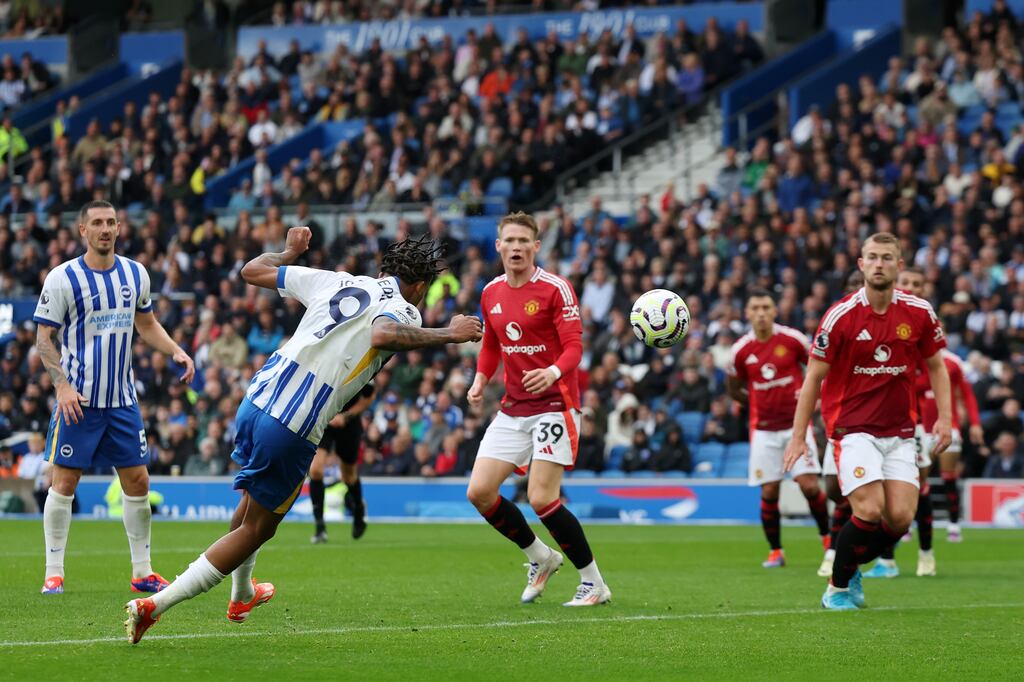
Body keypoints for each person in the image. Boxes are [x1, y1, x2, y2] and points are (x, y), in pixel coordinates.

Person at [124, 228, 482, 643]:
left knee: (253, 501)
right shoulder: (406, 309)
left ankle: (243, 594)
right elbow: (383, 335)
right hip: (294, 422)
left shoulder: (339, 280)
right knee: (258, 529)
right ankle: (156, 605)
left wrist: (288, 252)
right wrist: (449, 334)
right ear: (419, 285)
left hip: (256, 399)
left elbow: (252, 270)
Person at [33, 200, 196, 596]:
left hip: (122, 400)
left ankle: (142, 571)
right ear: (82, 231)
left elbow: (146, 324)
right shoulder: (62, 278)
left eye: (111, 222)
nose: (105, 229)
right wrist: (62, 385)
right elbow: (43, 339)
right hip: (80, 400)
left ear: (119, 228)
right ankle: (54, 571)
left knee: (138, 481)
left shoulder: (135, 274)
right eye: (97, 223)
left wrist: (175, 349)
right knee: (64, 481)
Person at [784, 233, 952, 611]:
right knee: (870, 510)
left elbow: (937, 367)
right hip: (852, 429)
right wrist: (799, 437)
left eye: (887, 258)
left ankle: (848, 564)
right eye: (872, 257)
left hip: (901, 432)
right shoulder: (840, 316)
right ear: (861, 265)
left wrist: (945, 418)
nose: (879, 264)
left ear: (899, 265)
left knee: (900, 518)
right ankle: (838, 587)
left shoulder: (919, 312)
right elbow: (812, 378)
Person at [465, 211, 611, 607]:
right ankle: (540, 557)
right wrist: (481, 378)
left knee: (542, 497)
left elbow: (575, 348)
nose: (515, 247)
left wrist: (552, 371)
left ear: (536, 247)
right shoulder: (491, 292)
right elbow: (493, 344)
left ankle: (593, 582)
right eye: (508, 241)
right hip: (514, 408)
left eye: (523, 241)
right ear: (498, 246)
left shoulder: (555, 289)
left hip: (555, 405)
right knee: (479, 492)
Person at [727, 289, 830, 569]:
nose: (761, 313)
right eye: (755, 308)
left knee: (809, 485)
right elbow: (733, 387)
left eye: (766, 307)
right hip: (762, 430)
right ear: (747, 313)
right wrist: (754, 401)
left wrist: (816, 398)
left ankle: (828, 540)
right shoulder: (741, 351)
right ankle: (776, 552)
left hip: (796, 427)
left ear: (775, 311)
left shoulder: (793, 340)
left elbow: (820, 368)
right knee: (770, 491)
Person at [817, 270, 863, 578]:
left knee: (859, 493)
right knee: (836, 489)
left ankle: (838, 554)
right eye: (854, 285)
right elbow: (817, 371)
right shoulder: (836, 322)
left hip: (873, 423)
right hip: (839, 421)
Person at [308, 382, 375, 543]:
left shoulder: (360, 369)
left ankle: (358, 510)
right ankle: (320, 527)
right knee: (315, 470)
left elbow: (369, 397)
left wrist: (346, 416)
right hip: (324, 421)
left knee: (348, 476)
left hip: (349, 423)